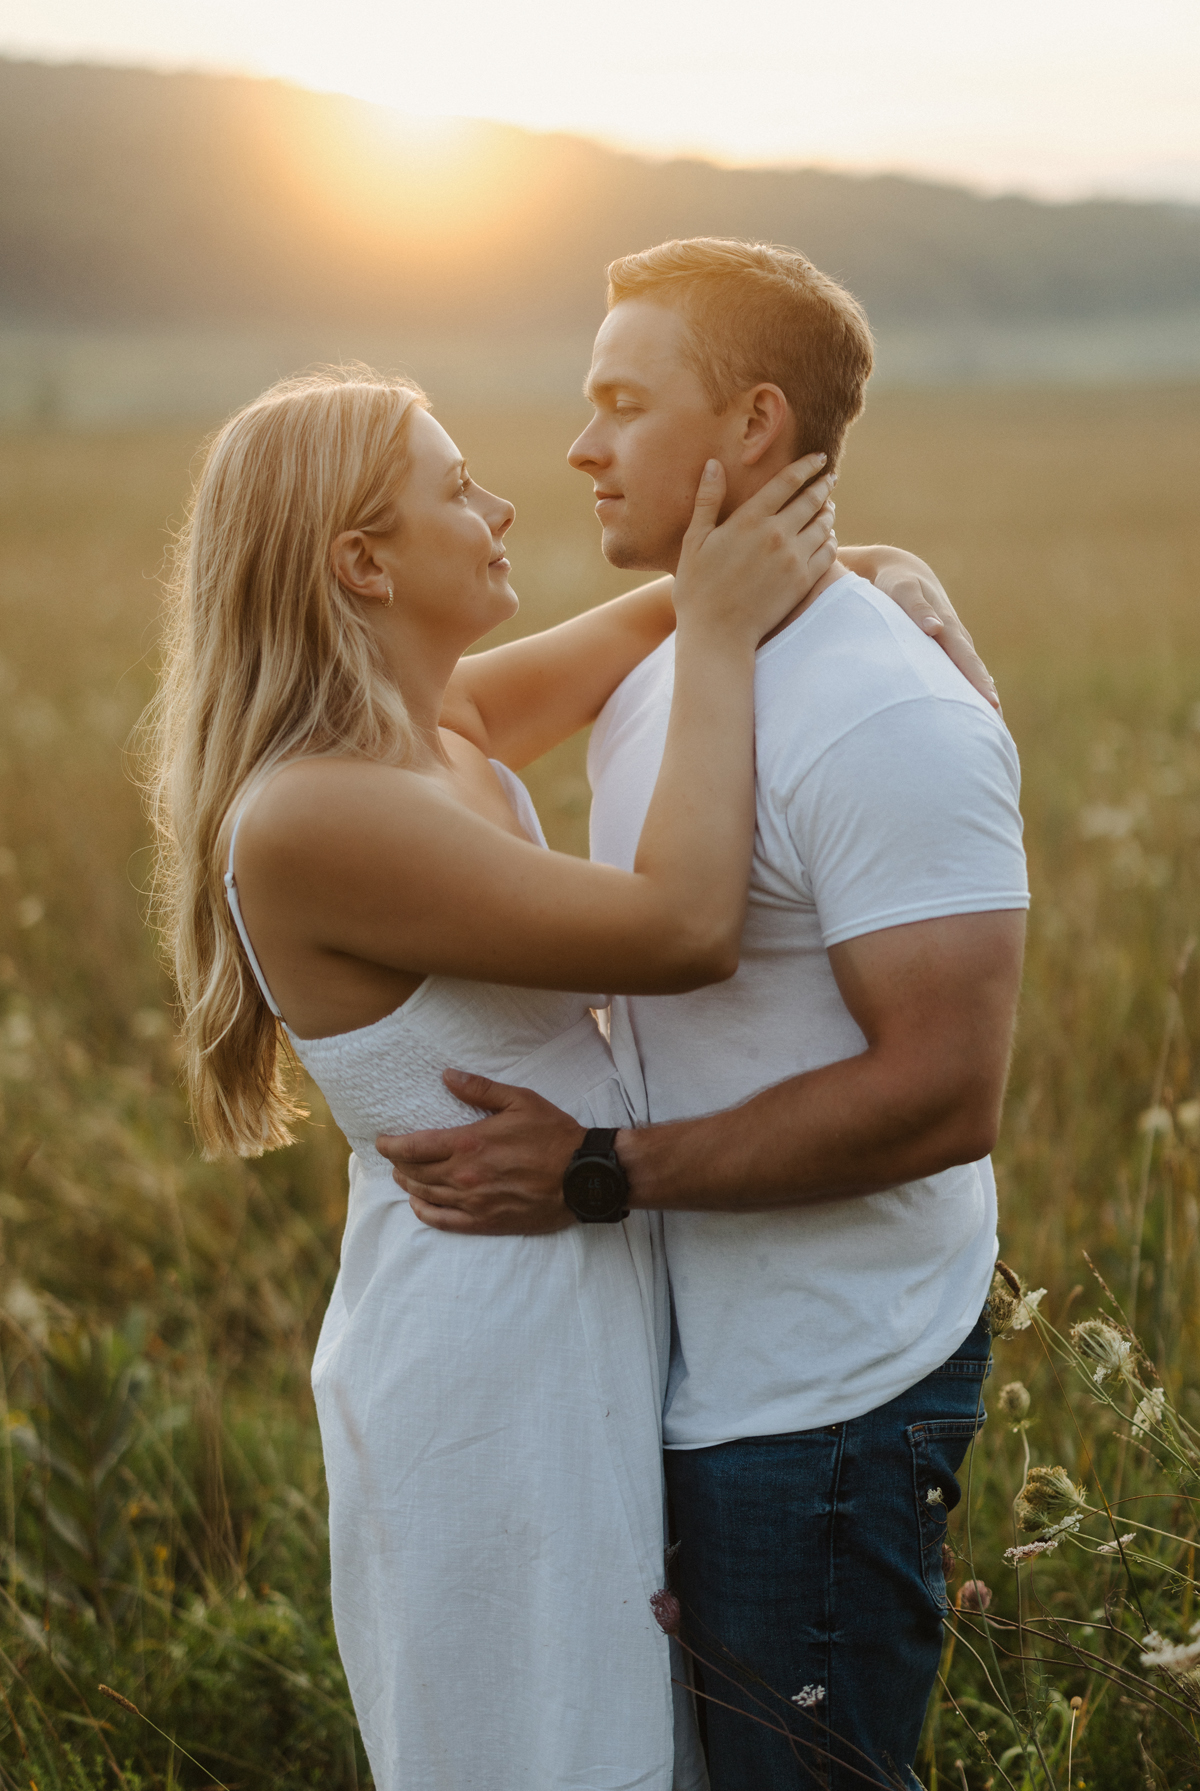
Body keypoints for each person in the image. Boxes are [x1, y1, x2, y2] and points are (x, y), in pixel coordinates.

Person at [146, 360, 878, 1791]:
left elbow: (689, 597)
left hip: (569, 1301)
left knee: (624, 1731)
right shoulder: (316, 816)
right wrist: (723, 641)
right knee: (549, 1748)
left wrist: (874, 574)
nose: (500, 506)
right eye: (456, 487)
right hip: (486, 1355)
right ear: (362, 562)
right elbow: (682, 928)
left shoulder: (437, 731)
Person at [379, 239, 1030, 1791]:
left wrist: (598, 1170)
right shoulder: (679, 661)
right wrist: (817, 573)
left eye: (622, 402)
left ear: (751, 424)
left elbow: (944, 1092)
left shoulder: (889, 713)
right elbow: (426, 717)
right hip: (688, 1373)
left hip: (831, 1397)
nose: (579, 446)